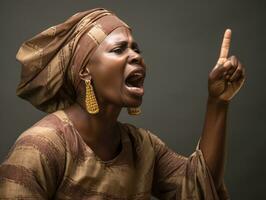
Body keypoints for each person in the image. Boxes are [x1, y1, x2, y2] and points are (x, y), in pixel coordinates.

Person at [0, 8, 245, 200]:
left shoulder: (142, 147)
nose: (136, 56)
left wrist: (218, 102)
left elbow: (199, 189)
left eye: (136, 49)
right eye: (119, 49)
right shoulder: (41, 146)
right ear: (85, 71)